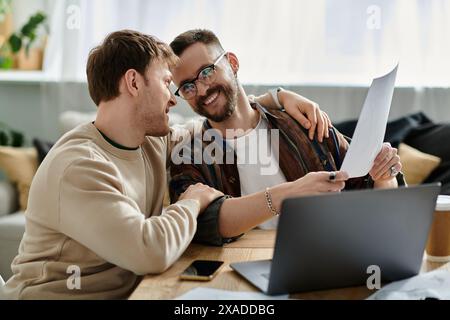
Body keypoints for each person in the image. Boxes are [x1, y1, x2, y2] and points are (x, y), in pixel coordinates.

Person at [0, 30, 330, 300]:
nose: (174, 98)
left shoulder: (152, 140)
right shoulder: (79, 166)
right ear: (133, 82)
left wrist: (280, 96)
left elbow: (221, 117)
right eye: (166, 83)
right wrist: (191, 203)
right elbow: (150, 250)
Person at [169, 29, 405, 246]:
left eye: (207, 73)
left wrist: (384, 177)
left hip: (331, 253)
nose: (201, 90)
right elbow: (203, 224)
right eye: (188, 87)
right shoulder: (189, 154)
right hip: (242, 269)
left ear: (232, 63)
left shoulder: (303, 122)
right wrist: (290, 193)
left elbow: (367, 189)